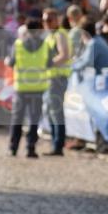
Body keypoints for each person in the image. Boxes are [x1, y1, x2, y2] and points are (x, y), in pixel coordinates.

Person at [5, 16, 49, 158]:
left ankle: (13, 148)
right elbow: (50, 63)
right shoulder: (45, 45)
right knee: (34, 120)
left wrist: (7, 61)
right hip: (38, 88)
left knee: (17, 119)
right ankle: (30, 148)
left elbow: (11, 63)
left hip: (21, 88)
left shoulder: (18, 44)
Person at [42, 8, 72, 156]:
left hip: (58, 78)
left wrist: (48, 64)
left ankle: (58, 145)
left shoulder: (59, 34)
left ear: (56, 20)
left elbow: (64, 55)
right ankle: (56, 143)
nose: (46, 23)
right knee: (50, 111)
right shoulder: (51, 36)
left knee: (56, 112)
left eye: (49, 20)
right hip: (52, 78)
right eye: (44, 20)